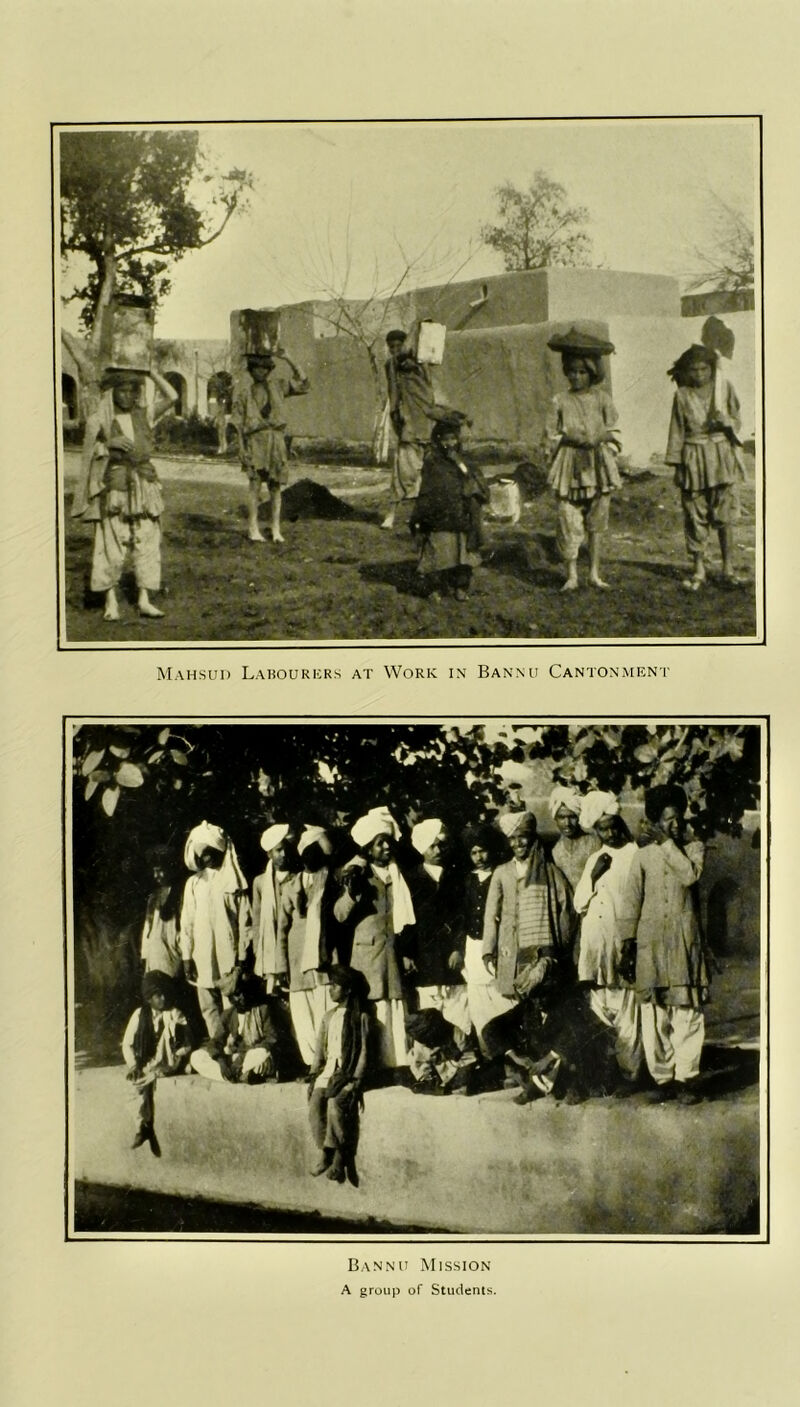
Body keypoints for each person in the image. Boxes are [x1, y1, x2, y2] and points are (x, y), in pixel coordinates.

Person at [619, 784, 708, 1104]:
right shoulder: (642, 856)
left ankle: (687, 1079)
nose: (675, 824)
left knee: (686, 1012)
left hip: (683, 943)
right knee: (654, 1015)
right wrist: (627, 944)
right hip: (651, 945)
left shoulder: (694, 849)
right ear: (654, 820)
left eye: (678, 818)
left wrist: (668, 843)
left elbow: (688, 877)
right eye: (667, 819)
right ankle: (663, 1078)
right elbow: (631, 903)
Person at [72, 366, 178, 621]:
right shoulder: (101, 419)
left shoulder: (145, 414)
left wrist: (151, 372)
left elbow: (173, 396)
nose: (129, 396)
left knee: (147, 538)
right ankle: (111, 601)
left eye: (133, 391)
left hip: (145, 483)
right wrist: (107, 444)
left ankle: (144, 599)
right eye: (123, 390)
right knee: (112, 541)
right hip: (115, 485)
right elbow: (88, 454)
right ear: (112, 393)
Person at [480, 811, 574, 1095]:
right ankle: (519, 1069)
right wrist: (489, 951)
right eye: (514, 839)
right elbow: (491, 915)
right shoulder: (502, 872)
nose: (519, 844)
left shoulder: (549, 871)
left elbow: (564, 910)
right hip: (511, 949)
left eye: (524, 838)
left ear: (532, 839)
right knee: (516, 1010)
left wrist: (558, 948)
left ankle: (544, 1074)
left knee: (541, 1008)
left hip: (541, 953)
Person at [334, 808, 415, 1075]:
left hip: (393, 950)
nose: (385, 847)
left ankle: (397, 1065)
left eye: (388, 842)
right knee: (374, 1007)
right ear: (368, 847)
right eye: (379, 843)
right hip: (368, 955)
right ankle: (371, 1067)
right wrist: (352, 893)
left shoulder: (397, 874)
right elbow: (340, 914)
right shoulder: (357, 874)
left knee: (394, 1007)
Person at [573, 791, 643, 1090]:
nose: (610, 832)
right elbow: (579, 903)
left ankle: (631, 1073)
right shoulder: (593, 859)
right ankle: (605, 1071)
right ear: (596, 830)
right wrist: (593, 875)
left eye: (613, 825)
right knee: (599, 1009)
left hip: (620, 940)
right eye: (603, 828)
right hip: (595, 941)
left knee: (627, 1009)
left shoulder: (634, 854)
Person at [665, 343, 747, 591]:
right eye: (694, 370)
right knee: (695, 513)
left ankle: (728, 568)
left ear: (712, 369)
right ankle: (699, 568)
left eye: (704, 369)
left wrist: (727, 422)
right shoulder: (681, 396)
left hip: (721, 456)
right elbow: (677, 432)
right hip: (694, 459)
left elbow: (738, 420)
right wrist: (678, 466)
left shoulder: (724, 389)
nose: (699, 374)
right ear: (686, 372)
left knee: (725, 515)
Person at [545, 331, 622, 592]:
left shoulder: (602, 399)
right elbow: (549, 435)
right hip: (570, 463)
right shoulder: (559, 401)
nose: (576, 377)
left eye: (582, 372)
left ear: (592, 373)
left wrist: (603, 439)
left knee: (597, 518)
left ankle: (594, 573)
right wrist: (566, 438)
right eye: (572, 372)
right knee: (568, 517)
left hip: (597, 464)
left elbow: (615, 429)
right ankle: (571, 575)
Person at [404, 819, 474, 1094]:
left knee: (457, 1016)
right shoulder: (410, 879)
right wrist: (407, 954)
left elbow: (463, 917)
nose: (438, 849)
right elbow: (405, 922)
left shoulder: (456, 878)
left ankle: (458, 1072)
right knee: (428, 1022)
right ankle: (428, 1073)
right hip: (424, 960)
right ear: (422, 848)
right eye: (432, 845)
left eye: (441, 844)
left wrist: (458, 948)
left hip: (450, 960)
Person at [179, 822, 252, 1045]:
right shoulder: (194, 883)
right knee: (208, 1004)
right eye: (200, 855)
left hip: (228, 953)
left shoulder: (233, 881)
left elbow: (245, 922)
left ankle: (235, 1043)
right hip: (202, 954)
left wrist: (242, 956)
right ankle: (217, 1043)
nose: (204, 859)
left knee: (231, 1001)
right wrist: (186, 956)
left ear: (217, 852)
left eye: (208, 854)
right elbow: (187, 922)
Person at [233, 348, 310, 544]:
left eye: (265, 368)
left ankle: (276, 529)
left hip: (276, 441)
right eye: (257, 368)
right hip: (255, 442)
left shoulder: (279, 387)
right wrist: (241, 449)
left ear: (269, 370)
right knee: (255, 485)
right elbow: (239, 426)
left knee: (275, 486)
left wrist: (288, 357)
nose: (261, 371)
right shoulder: (244, 394)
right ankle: (253, 528)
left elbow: (304, 383)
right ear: (251, 370)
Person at [409, 415, 489, 601]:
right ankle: (434, 588)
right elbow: (426, 489)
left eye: (453, 438)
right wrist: (422, 515)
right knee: (437, 553)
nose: (449, 443)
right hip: (438, 516)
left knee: (462, 555)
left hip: (460, 515)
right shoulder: (432, 461)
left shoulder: (463, 461)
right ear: (438, 440)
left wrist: (459, 463)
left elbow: (472, 480)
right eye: (445, 439)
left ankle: (460, 587)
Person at [277, 826, 337, 1066]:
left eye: (317, 852)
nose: (312, 858)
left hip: (324, 961)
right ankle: (312, 1063)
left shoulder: (331, 881)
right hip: (297, 962)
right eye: (308, 852)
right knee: (303, 1016)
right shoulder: (292, 886)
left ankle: (329, 1062)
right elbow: (281, 929)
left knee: (326, 1012)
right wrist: (281, 966)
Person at [307, 965, 371, 1186]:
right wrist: (314, 1075)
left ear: (348, 990)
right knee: (315, 1103)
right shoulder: (328, 1017)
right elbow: (319, 1051)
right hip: (328, 1073)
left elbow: (363, 1051)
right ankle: (325, 1151)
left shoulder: (360, 1017)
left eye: (335, 986)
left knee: (336, 1103)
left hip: (346, 1073)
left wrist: (356, 1081)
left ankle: (340, 1155)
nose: (330, 990)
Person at [458, 823, 517, 1058]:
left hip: (497, 944)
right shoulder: (467, 880)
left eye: (483, 851)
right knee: (479, 1000)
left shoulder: (501, 874)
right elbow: (462, 914)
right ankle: (489, 1054)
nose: (479, 857)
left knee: (502, 997)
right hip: (473, 945)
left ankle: (511, 1052)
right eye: (473, 852)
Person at [121, 971, 192, 1156]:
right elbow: (127, 1044)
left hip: (168, 1059)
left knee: (168, 1032)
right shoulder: (139, 1014)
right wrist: (133, 1066)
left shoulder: (173, 1013)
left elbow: (187, 1043)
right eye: (158, 995)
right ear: (149, 999)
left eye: (164, 994)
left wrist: (177, 1057)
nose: (162, 999)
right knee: (135, 1084)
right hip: (147, 1062)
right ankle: (143, 1128)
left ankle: (146, 1129)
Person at [189, 973, 298, 1084]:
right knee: (196, 1057)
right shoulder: (228, 1014)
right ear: (230, 999)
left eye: (242, 992)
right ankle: (234, 1076)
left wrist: (239, 1061)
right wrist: (222, 1063)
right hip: (238, 1058)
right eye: (236, 995)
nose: (241, 997)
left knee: (261, 1055)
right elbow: (215, 1042)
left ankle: (237, 1075)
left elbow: (271, 1039)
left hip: (252, 1056)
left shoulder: (262, 1009)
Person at [381, 333, 435, 531]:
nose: (395, 350)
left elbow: (429, 386)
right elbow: (392, 392)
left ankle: (423, 515)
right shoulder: (391, 366)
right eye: (391, 347)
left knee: (428, 472)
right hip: (408, 423)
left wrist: (418, 363)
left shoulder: (420, 361)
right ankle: (391, 514)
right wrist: (396, 416)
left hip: (426, 420)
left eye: (398, 346)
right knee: (402, 471)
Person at [250, 824, 295, 990]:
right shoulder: (261, 882)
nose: (284, 854)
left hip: (292, 945)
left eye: (286, 849)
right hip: (271, 945)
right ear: (269, 854)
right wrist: (258, 949)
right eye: (279, 850)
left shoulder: (297, 878)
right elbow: (256, 919)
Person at [139, 845, 183, 978]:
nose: (156, 876)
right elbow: (148, 928)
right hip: (154, 954)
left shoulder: (180, 894)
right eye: (154, 871)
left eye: (159, 871)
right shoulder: (154, 897)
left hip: (171, 954)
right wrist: (145, 954)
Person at [549, 785, 600, 891]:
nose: (567, 823)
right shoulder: (553, 849)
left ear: (579, 817)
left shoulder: (594, 843)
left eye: (572, 817)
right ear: (556, 819)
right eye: (562, 817)